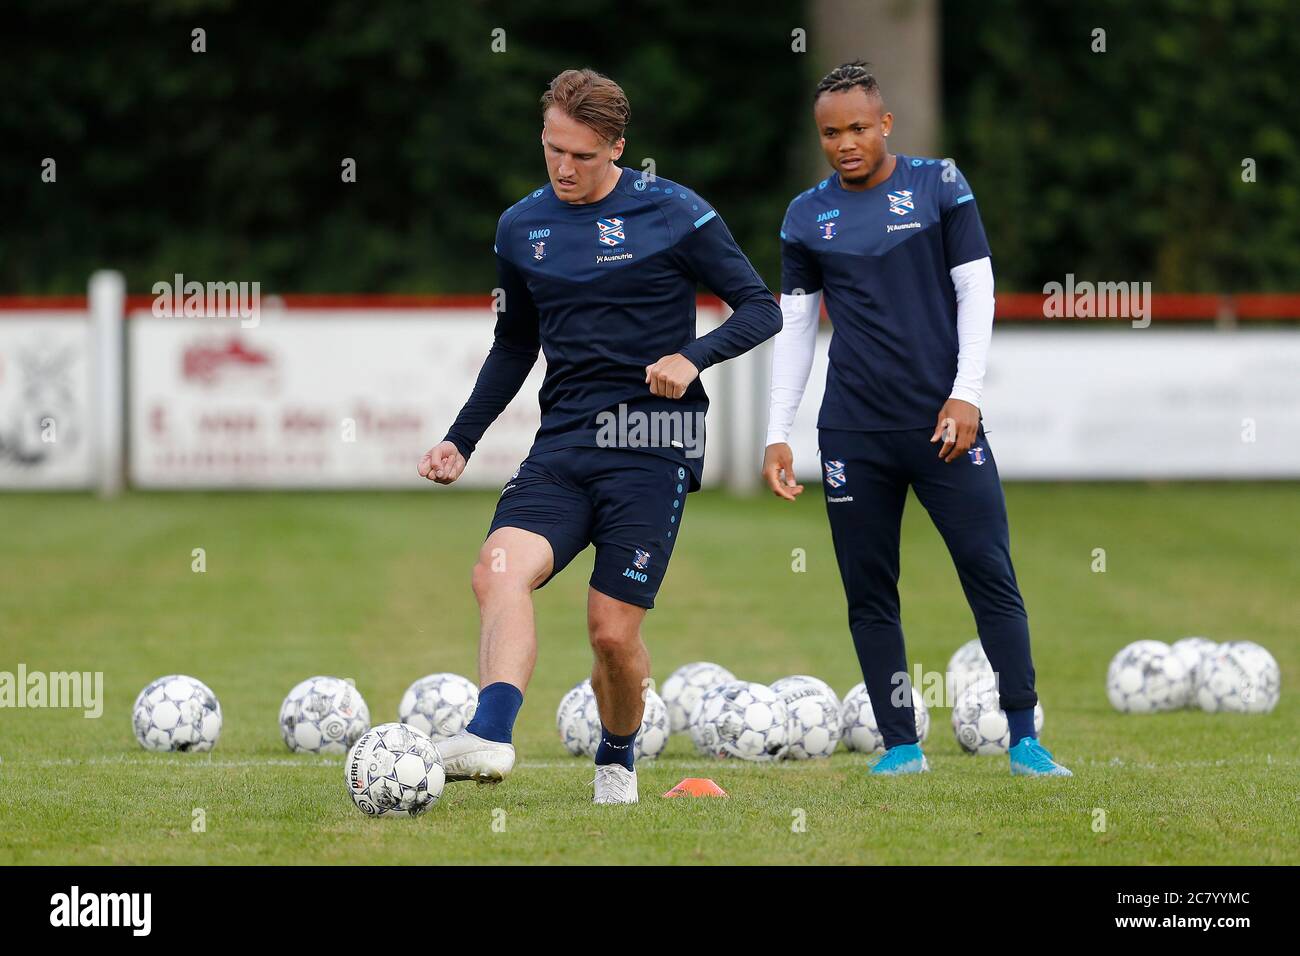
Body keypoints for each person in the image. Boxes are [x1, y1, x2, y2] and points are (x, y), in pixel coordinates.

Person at [420, 68, 782, 803]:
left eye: (582, 155)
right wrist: (462, 438)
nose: (563, 167)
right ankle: (490, 734)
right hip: (563, 446)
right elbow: (515, 342)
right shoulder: (522, 227)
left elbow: (759, 307)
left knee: (612, 635)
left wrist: (694, 355)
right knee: (496, 570)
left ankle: (616, 762)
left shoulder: (675, 212)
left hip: (653, 441)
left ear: (617, 147)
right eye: (552, 148)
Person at [762, 61, 1070, 777]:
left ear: (886, 124)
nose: (845, 142)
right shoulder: (807, 216)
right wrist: (779, 431)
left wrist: (967, 394)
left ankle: (1024, 736)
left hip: (944, 427)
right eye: (831, 133)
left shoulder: (940, 186)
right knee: (869, 591)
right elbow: (798, 328)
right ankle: (901, 745)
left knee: (988, 573)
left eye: (859, 128)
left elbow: (978, 294)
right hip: (852, 434)